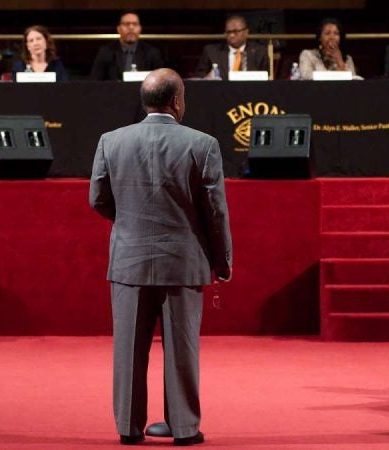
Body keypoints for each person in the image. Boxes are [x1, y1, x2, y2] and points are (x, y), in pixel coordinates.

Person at [89, 68, 232, 446]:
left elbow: (98, 200)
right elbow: (215, 211)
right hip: (183, 262)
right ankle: (184, 429)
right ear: (177, 100)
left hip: (128, 261)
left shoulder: (110, 141)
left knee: (128, 352)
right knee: (182, 351)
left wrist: (129, 225)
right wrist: (222, 262)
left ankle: (129, 428)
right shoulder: (203, 144)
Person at [90, 11, 164, 81]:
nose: (131, 27)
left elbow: (160, 82)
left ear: (140, 29)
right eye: (126, 24)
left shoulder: (152, 53)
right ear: (118, 29)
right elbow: (95, 81)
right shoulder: (105, 52)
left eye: (135, 24)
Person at [193, 15, 269, 79]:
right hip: (220, 93)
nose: (232, 35)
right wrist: (207, 78)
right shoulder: (211, 51)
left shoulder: (260, 52)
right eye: (228, 32)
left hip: (251, 93)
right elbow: (198, 77)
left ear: (246, 32)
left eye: (236, 31)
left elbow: (267, 78)